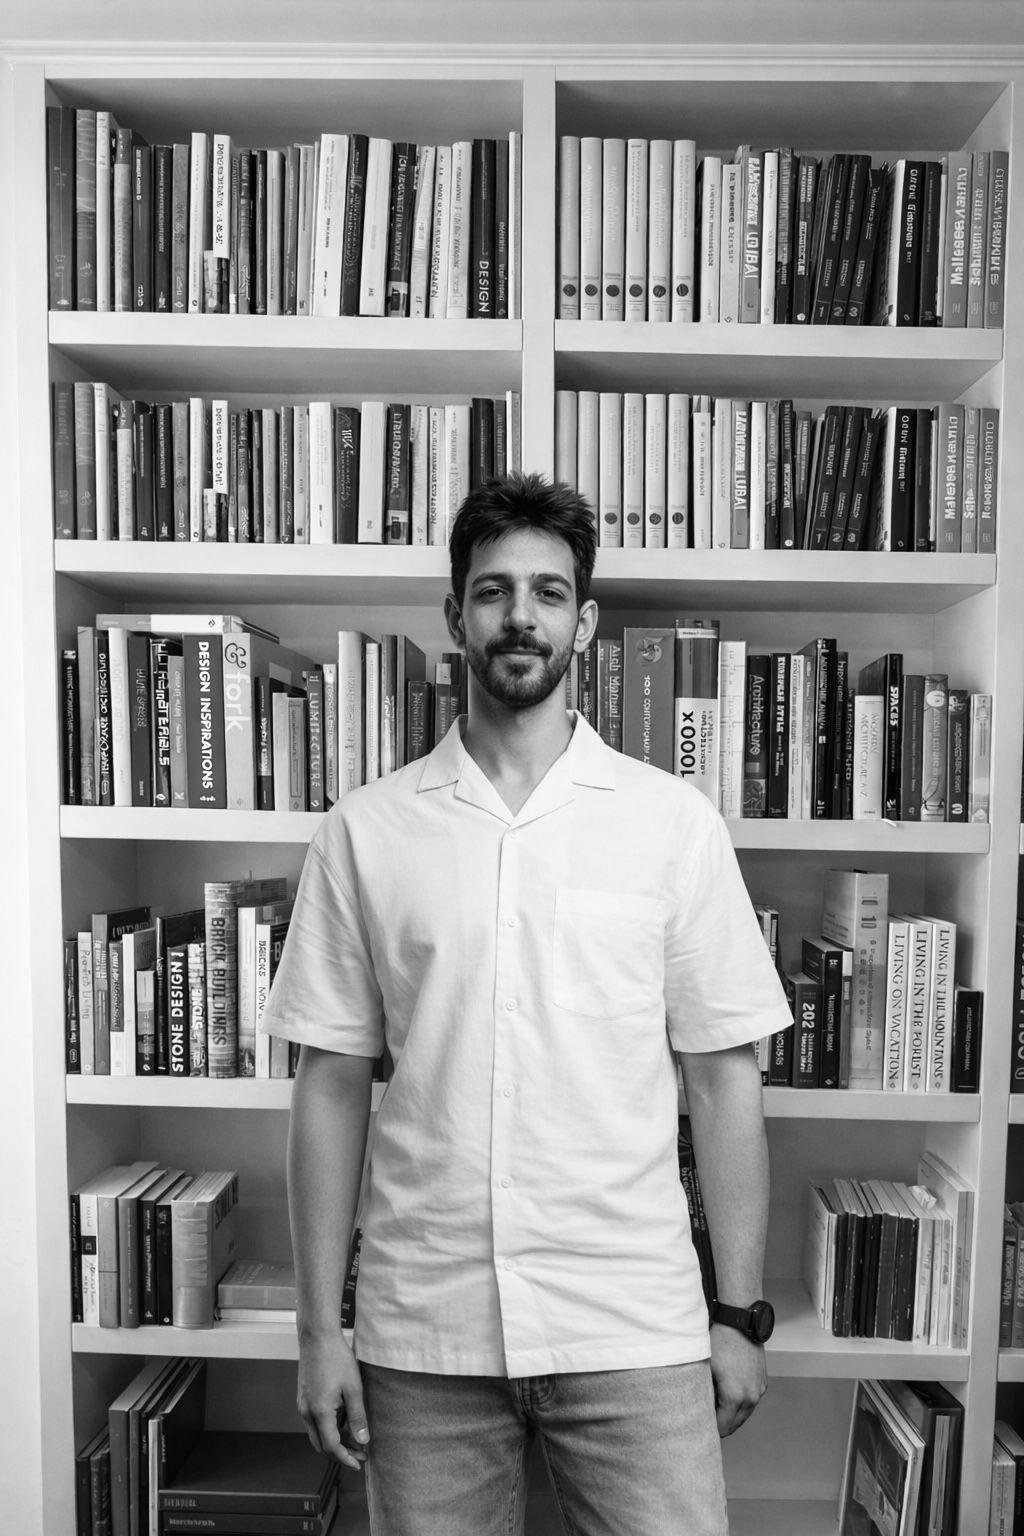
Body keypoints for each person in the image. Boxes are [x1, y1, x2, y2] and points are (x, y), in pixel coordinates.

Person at [261, 472, 793, 1536]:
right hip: (426, 1334)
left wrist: (737, 1314)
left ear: (583, 623)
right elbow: (330, 1085)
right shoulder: (365, 831)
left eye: (549, 593)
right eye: (493, 590)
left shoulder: (670, 823)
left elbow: (723, 1078)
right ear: (455, 616)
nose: (520, 615)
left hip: (632, 1324)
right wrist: (320, 1332)